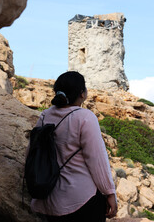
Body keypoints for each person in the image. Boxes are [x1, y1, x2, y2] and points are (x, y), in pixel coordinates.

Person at [28, 71, 117, 222]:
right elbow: (97, 160)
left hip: (48, 198)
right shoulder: (85, 117)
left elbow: (31, 153)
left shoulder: (44, 116)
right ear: (82, 94)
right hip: (80, 200)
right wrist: (109, 193)